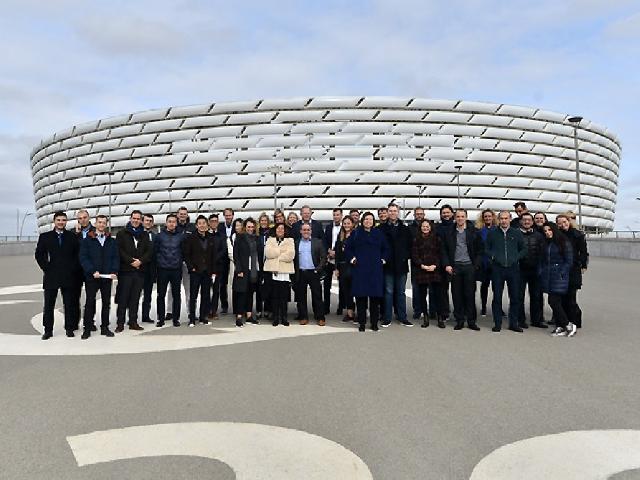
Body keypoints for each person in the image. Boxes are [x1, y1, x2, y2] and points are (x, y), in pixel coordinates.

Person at [35, 211, 82, 339]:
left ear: (66, 222)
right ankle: (48, 330)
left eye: (63, 220)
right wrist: (47, 268)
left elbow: (77, 255)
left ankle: (69, 328)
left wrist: (73, 269)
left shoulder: (72, 237)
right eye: (59, 220)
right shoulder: (45, 237)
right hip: (52, 276)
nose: (61, 222)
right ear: (54, 221)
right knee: (49, 305)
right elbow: (39, 255)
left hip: (68, 276)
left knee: (69, 304)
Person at [345, 211, 389, 332]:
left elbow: (386, 248)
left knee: (374, 299)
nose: (368, 221)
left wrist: (383, 260)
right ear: (362, 221)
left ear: (373, 221)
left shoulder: (378, 233)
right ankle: (362, 323)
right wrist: (352, 259)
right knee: (361, 299)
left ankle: (374, 323)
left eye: (370, 219)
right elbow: (348, 248)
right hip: (360, 270)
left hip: (375, 270)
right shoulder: (356, 233)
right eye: (366, 219)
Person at [440, 209, 483, 331]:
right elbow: (444, 250)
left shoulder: (474, 232)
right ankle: (459, 320)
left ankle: (471, 321)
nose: (460, 218)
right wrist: (447, 264)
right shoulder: (449, 232)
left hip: (469, 266)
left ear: (466, 217)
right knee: (457, 295)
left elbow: (480, 250)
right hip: (455, 267)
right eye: (458, 216)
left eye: (462, 216)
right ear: (455, 218)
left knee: (469, 294)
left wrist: (476, 265)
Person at [78, 215, 119, 340]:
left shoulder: (111, 240)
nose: (101, 225)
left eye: (103, 223)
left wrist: (114, 271)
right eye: (99, 222)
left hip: (106, 277)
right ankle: (87, 328)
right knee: (90, 302)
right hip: (92, 277)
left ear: (106, 224)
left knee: (106, 303)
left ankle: (105, 327)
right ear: (95, 224)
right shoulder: (87, 240)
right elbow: (83, 258)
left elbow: (115, 257)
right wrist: (91, 270)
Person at [486, 211, 527, 333]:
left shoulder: (516, 233)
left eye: (506, 218)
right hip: (498, 269)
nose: (504, 221)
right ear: (498, 220)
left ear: (510, 219)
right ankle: (497, 323)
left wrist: (516, 257)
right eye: (501, 218)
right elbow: (486, 248)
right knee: (497, 296)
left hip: (513, 268)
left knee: (514, 297)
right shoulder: (492, 233)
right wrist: (493, 256)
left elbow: (524, 249)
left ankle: (513, 323)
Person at [115, 210, 152, 333]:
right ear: (130, 219)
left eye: (138, 219)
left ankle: (133, 322)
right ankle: (120, 323)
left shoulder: (145, 235)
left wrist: (140, 261)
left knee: (135, 298)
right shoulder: (122, 233)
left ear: (141, 220)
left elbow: (149, 251)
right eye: (134, 218)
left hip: (140, 271)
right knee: (123, 298)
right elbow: (119, 251)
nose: (136, 220)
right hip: (126, 271)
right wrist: (131, 261)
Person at [378, 204, 413, 327]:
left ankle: (402, 317)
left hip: (401, 264)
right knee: (388, 292)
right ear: (387, 213)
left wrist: (405, 256)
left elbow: (410, 245)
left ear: (398, 212)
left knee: (401, 292)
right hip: (387, 265)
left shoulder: (405, 228)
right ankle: (387, 318)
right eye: (390, 211)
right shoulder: (381, 229)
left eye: (395, 211)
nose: (393, 213)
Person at [539, 222, 576, 337]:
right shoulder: (547, 244)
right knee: (555, 302)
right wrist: (541, 271)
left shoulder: (564, 242)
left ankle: (568, 325)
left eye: (549, 230)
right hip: (549, 275)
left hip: (558, 275)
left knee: (553, 301)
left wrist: (561, 272)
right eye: (545, 231)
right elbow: (543, 260)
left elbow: (569, 261)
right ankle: (560, 326)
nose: (547, 233)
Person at [183, 215, 218, 327]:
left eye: (204, 223)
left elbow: (213, 256)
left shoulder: (211, 238)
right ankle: (192, 318)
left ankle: (203, 317)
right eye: (200, 223)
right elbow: (186, 254)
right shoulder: (191, 238)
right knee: (193, 296)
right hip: (195, 271)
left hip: (207, 272)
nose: (202, 225)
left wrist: (213, 271)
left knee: (206, 295)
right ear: (196, 225)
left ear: (207, 225)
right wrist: (191, 267)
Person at [411, 219, 445, 328]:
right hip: (421, 270)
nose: (425, 228)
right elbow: (414, 255)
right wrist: (422, 265)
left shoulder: (437, 239)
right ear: (420, 228)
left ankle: (440, 317)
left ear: (431, 227)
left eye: (427, 226)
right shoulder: (416, 239)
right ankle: (425, 316)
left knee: (438, 294)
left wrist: (435, 265)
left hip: (435, 269)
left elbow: (440, 254)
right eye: (423, 226)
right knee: (422, 295)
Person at [556, 213, 588, 329]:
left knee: (571, 297)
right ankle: (565, 321)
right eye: (560, 223)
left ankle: (575, 321)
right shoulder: (558, 235)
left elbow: (583, 252)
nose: (563, 224)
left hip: (573, 269)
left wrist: (583, 265)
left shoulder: (577, 235)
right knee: (562, 297)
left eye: (565, 222)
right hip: (561, 269)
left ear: (569, 221)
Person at [294, 223, 327, 325]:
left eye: (308, 230)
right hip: (301, 273)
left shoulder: (317, 242)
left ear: (311, 231)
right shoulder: (296, 243)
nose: (306, 232)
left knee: (317, 296)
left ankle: (320, 317)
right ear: (300, 231)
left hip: (313, 272)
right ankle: (303, 316)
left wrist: (318, 269)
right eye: (304, 230)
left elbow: (323, 257)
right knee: (301, 296)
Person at [155, 214, 184, 327]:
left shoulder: (181, 236)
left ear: (176, 223)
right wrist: (159, 262)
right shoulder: (159, 236)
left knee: (177, 294)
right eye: (170, 221)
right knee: (160, 295)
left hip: (176, 269)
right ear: (166, 223)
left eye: (174, 222)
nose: (172, 224)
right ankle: (160, 319)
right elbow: (155, 251)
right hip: (163, 269)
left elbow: (183, 251)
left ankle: (175, 319)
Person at [518, 213, 546, 328]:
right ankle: (520, 320)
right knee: (519, 296)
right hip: (520, 270)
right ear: (520, 221)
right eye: (524, 220)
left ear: (532, 222)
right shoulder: (515, 234)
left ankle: (537, 320)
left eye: (529, 220)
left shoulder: (539, 236)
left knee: (536, 296)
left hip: (535, 270)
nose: (527, 222)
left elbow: (542, 252)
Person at [263, 223, 295, 326]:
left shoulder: (290, 240)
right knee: (275, 296)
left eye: (282, 228)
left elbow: (290, 255)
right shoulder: (270, 240)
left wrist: (276, 256)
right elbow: (268, 253)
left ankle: (284, 317)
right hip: (273, 272)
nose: (280, 230)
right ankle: (276, 317)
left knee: (284, 297)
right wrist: (281, 251)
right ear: (275, 230)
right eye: (278, 228)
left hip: (285, 272)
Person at [232, 218, 260, 327]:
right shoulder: (239, 238)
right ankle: (239, 317)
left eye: (252, 227)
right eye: (249, 227)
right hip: (243, 270)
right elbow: (236, 255)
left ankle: (249, 316)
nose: (250, 229)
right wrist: (239, 269)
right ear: (245, 227)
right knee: (241, 293)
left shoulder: (256, 239)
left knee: (250, 293)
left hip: (253, 270)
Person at [70, 209, 95, 331]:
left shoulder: (96, 231)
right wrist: (76, 234)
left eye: (84, 217)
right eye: (80, 218)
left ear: (89, 218)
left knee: (91, 298)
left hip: (91, 269)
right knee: (74, 298)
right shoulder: (72, 233)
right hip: (77, 270)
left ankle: (89, 323)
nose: (82, 220)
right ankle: (74, 323)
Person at [334, 216, 356, 323]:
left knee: (355, 290)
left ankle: (359, 311)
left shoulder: (356, 235)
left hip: (353, 266)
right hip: (342, 267)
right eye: (345, 223)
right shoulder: (340, 236)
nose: (346, 225)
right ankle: (349, 312)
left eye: (348, 223)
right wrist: (336, 268)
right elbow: (337, 254)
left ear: (352, 224)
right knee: (346, 291)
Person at [435, 204, 455, 321]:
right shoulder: (437, 228)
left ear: (452, 213)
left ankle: (460, 312)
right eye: (444, 213)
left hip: (456, 261)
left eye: (448, 212)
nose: (446, 215)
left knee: (457, 289)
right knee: (442, 290)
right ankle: (444, 312)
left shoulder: (456, 226)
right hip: (441, 262)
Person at [475, 209, 497, 317]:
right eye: (486, 217)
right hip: (484, 262)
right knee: (484, 286)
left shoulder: (498, 230)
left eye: (489, 216)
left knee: (497, 287)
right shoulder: (479, 231)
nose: (488, 218)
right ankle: (483, 307)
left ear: (493, 217)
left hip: (496, 262)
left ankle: (497, 307)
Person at [323, 208, 343, 315]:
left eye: (338, 214)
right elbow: (325, 241)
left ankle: (340, 307)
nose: (336, 216)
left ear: (341, 215)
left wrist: (336, 252)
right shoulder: (329, 227)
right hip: (328, 259)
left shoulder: (344, 227)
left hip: (339, 259)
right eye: (334, 215)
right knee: (326, 285)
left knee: (342, 285)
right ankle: (326, 307)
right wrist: (328, 250)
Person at [207, 214, 227, 321]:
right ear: (209, 222)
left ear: (218, 222)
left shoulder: (222, 235)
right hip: (206, 267)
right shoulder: (205, 235)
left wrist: (215, 259)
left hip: (218, 267)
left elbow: (224, 250)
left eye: (216, 221)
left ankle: (213, 311)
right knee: (206, 290)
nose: (214, 223)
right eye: (212, 221)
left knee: (216, 290)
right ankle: (206, 310)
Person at [216, 207, 235, 314]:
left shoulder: (237, 226)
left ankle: (236, 305)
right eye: (226, 215)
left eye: (229, 215)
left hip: (234, 257)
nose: (228, 217)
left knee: (235, 281)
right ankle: (224, 305)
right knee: (222, 283)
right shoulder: (219, 227)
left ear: (233, 215)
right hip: (222, 258)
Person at [408, 207, 426, 321]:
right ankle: (417, 310)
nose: (419, 216)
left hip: (429, 261)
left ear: (424, 214)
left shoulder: (429, 226)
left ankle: (431, 310)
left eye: (421, 214)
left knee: (430, 288)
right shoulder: (410, 228)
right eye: (417, 214)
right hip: (416, 262)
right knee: (416, 288)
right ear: (414, 215)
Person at [140, 214, 157, 324]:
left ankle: (145, 315)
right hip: (139, 268)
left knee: (148, 295)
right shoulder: (137, 234)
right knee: (134, 295)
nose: (148, 223)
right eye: (146, 220)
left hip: (150, 270)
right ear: (142, 222)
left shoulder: (155, 236)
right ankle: (131, 317)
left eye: (150, 221)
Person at [256, 212, 272, 318]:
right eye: (262, 221)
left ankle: (267, 309)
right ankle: (258, 309)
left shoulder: (271, 234)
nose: (263, 222)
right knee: (258, 288)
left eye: (265, 221)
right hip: (258, 264)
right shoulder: (257, 235)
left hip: (268, 264)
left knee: (268, 288)